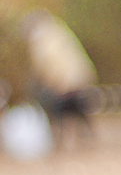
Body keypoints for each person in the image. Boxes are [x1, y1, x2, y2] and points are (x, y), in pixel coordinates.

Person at [23, 11, 98, 144]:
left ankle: (65, 138)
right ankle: (83, 137)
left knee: (62, 109)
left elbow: (48, 66)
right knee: (77, 108)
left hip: (66, 81)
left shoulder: (44, 40)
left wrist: (51, 82)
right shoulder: (58, 31)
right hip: (78, 77)